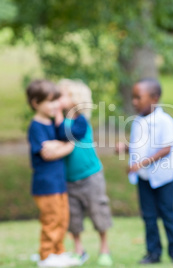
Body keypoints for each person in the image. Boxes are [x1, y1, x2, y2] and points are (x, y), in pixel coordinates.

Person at [116, 78, 173, 265]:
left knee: (167, 214)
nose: (134, 102)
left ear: (154, 98)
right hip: (144, 178)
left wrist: (141, 163)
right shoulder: (138, 122)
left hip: (163, 178)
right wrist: (126, 148)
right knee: (149, 217)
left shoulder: (165, 121)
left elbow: (166, 149)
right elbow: (142, 146)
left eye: (138, 97)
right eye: (133, 98)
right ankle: (153, 253)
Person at [56, 79, 113, 266]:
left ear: (75, 99)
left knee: (98, 212)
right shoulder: (58, 122)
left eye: (62, 95)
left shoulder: (81, 121)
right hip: (70, 179)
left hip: (91, 176)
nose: (57, 98)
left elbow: (65, 134)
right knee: (73, 217)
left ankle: (104, 248)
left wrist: (57, 115)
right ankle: (78, 249)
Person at [26, 79, 81, 267]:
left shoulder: (51, 124)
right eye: (50, 101)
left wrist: (59, 144)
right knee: (51, 220)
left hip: (58, 182)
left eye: (56, 100)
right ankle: (46, 255)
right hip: (46, 184)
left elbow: (55, 146)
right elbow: (47, 153)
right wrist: (68, 146)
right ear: (36, 103)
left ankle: (58, 252)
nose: (56, 105)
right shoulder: (36, 126)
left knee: (62, 218)